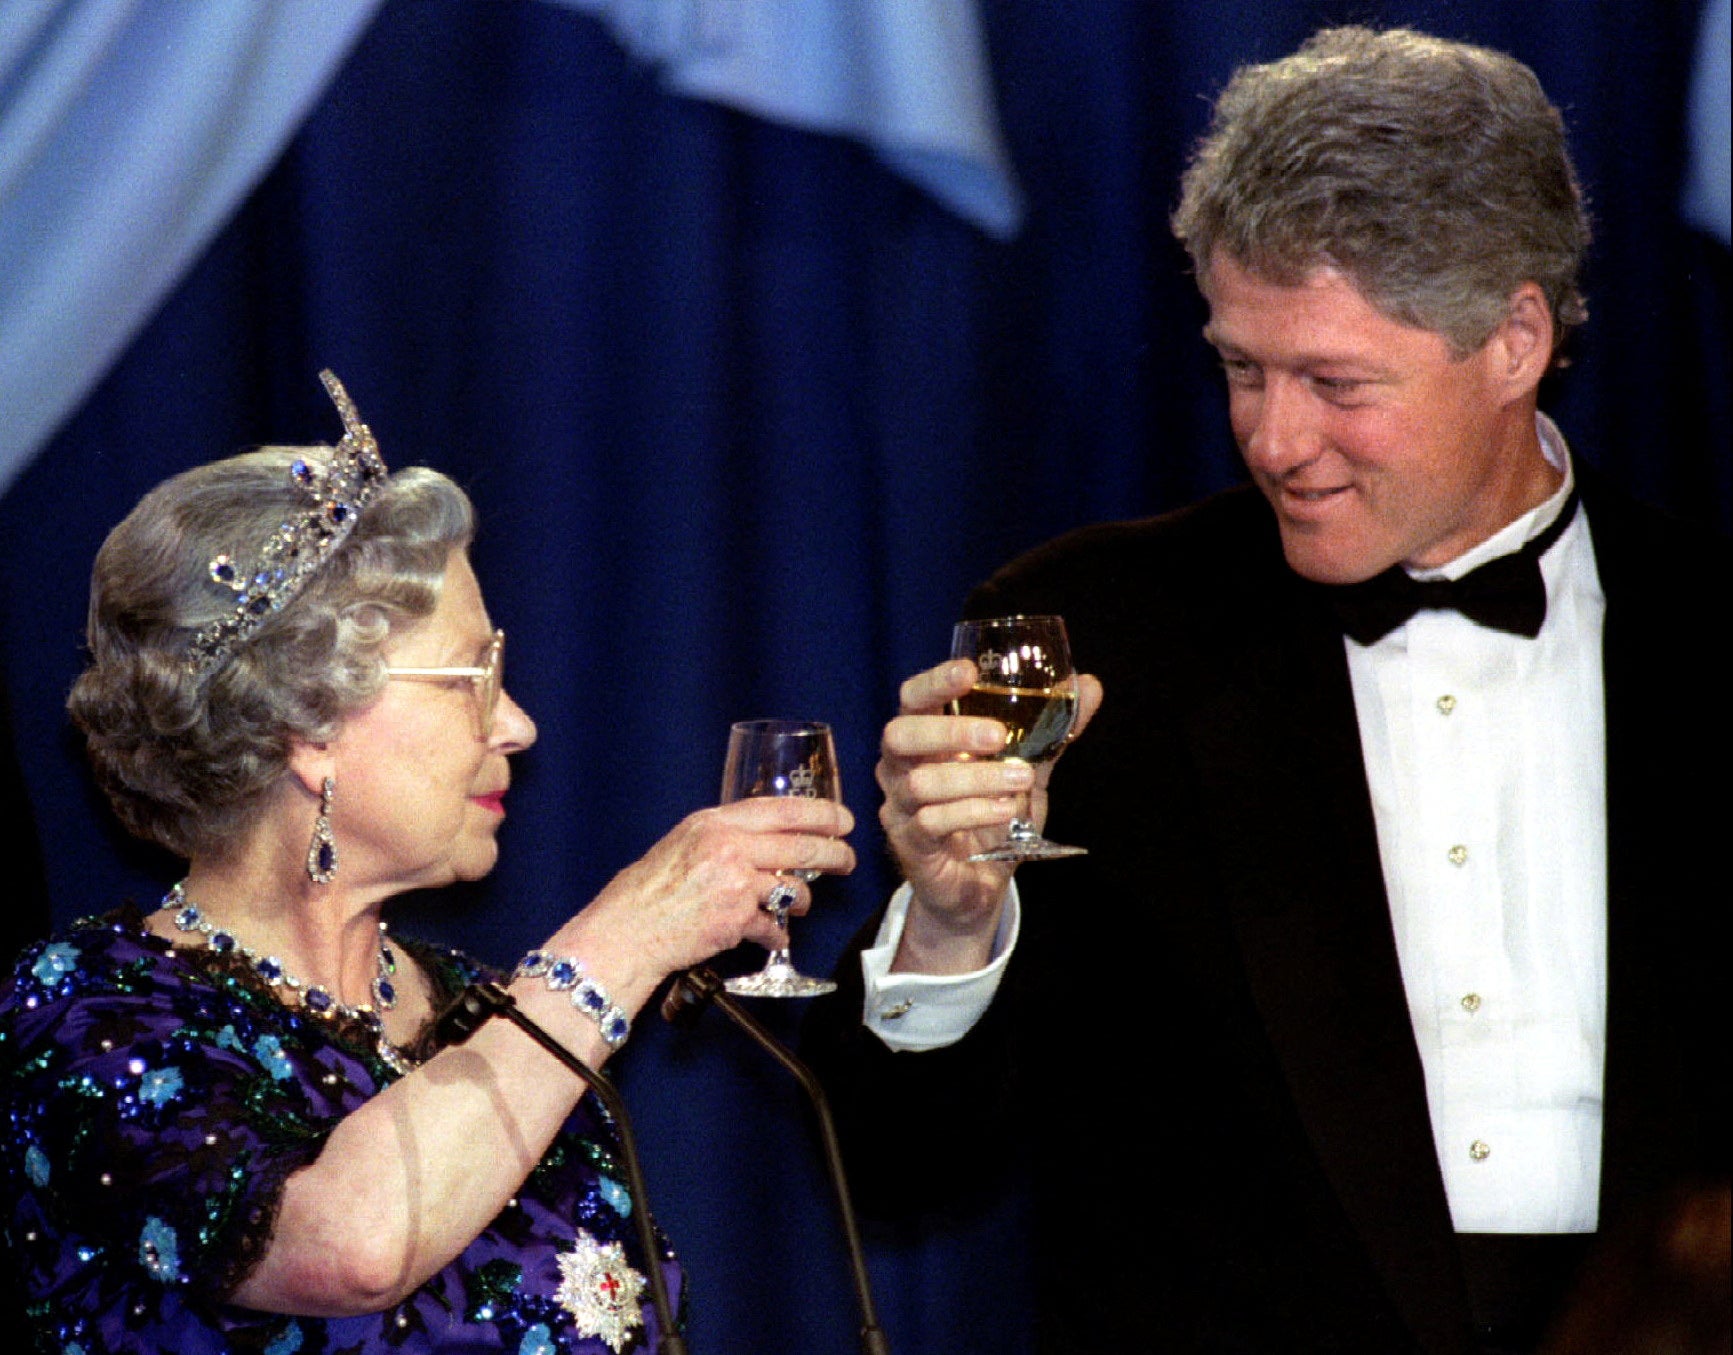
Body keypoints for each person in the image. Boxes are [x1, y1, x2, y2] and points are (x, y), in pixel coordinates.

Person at [806, 27, 1727, 1355]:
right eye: (1243, 367)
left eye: (1334, 382)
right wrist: (949, 925)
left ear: (1515, 336)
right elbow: (900, 1167)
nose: (1275, 438)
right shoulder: (1100, 636)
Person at [0, 371, 855, 1353]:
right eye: (472, 679)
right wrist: (622, 939)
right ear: (306, 724)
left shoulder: (485, 1010)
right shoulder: (88, 1016)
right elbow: (348, 1245)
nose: (519, 724)